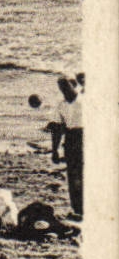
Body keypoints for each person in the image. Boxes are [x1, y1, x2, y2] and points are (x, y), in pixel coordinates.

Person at [55, 75, 83, 217]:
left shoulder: (85, 101)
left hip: (85, 137)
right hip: (71, 139)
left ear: (73, 85)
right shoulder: (61, 105)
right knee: (73, 175)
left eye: (66, 86)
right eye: (61, 88)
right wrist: (54, 150)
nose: (64, 90)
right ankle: (77, 209)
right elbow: (58, 128)